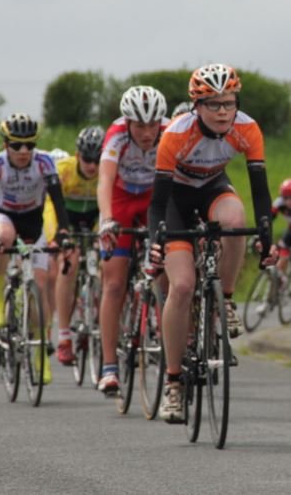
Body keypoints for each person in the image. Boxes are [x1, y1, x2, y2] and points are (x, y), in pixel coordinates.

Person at [148, 64, 275, 423]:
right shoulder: (176, 134)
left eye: (229, 103)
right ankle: (173, 382)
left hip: (213, 188)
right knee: (183, 285)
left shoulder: (247, 128)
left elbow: (260, 192)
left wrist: (265, 238)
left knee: (235, 221)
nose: (222, 111)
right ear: (196, 106)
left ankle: (228, 299)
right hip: (175, 199)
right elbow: (157, 203)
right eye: (213, 104)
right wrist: (157, 239)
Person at [0, 113, 73, 386]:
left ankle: (40, 353)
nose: (23, 151)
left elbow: (58, 201)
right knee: (4, 237)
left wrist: (63, 232)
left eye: (29, 145)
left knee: (40, 287)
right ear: (5, 144)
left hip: (33, 220)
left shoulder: (44, 163)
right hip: (4, 215)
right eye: (16, 145)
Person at [95, 87, 167, 396]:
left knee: (166, 274)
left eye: (153, 125)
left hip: (153, 198)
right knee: (113, 284)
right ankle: (109, 367)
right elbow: (105, 180)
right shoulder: (116, 136)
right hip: (121, 200)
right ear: (128, 123)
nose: (148, 132)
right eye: (140, 125)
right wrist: (107, 219)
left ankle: (171, 351)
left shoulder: (169, 132)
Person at [47, 126, 103, 367]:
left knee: (107, 267)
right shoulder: (63, 170)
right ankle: (64, 337)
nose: (92, 165)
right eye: (87, 158)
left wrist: (102, 233)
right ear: (77, 154)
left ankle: (99, 321)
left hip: (94, 217)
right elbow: (50, 205)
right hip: (65, 218)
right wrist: (57, 235)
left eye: (97, 159)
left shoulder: (109, 170)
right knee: (68, 263)